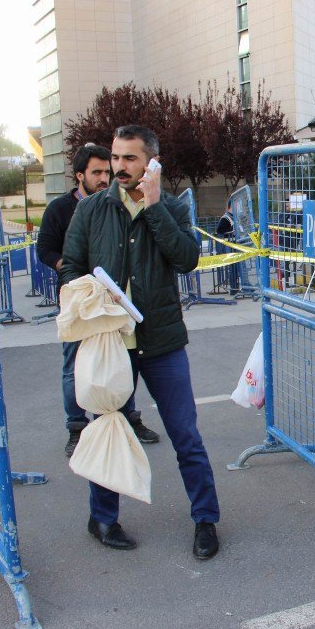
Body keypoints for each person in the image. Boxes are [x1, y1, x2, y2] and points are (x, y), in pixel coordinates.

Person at [61, 125, 221, 559]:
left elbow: (187, 259)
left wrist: (154, 208)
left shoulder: (169, 207)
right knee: (106, 427)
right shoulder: (93, 210)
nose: (119, 167)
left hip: (161, 341)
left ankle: (205, 519)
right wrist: (90, 294)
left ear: (151, 162)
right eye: (115, 158)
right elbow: (70, 265)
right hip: (110, 342)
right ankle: (103, 518)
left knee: (185, 433)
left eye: (129, 158)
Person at [36, 143, 160, 458]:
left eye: (107, 171)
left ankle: (127, 420)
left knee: (119, 362)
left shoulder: (114, 205)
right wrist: (74, 271)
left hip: (113, 304)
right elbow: (46, 249)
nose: (105, 177)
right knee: (74, 366)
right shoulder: (61, 209)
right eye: (97, 172)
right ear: (80, 175)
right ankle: (77, 429)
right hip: (80, 303)